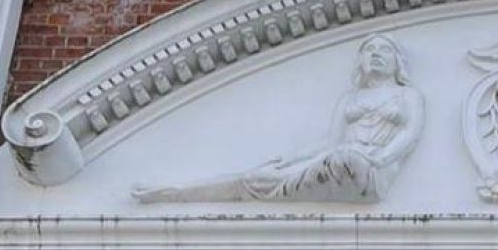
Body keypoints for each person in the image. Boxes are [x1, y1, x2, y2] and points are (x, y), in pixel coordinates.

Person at [133, 34, 424, 204]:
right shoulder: (349, 99)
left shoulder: (406, 95)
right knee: (258, 180)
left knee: (344, 157)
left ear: (398, 60)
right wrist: (286, 160)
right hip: (336, 163)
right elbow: (329, 141)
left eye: (384, 49)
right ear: (360, 62)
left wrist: (379, 159)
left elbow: (409, 134)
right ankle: (171, 192)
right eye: (369, 50)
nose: (376, 54)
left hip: (371, 171)